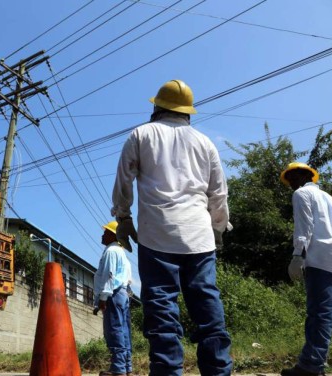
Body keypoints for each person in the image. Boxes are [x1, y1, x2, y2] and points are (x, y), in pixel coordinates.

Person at [111, 79, 232, 376]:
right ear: (187, 111)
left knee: (162, 310)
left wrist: (123, 217)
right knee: (207, 306)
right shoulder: (205, 143)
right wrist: (217, 227)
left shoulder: (141, 134)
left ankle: (167, 371)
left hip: (157, 235)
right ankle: (218, 371)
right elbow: (219, 193)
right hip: (199, 237)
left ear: (157, 106)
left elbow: (124, 179)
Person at [280, 162, 332, 376]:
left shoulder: (301, 194)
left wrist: (298, 255)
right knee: (324, 315)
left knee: (318, 316)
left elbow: (304, 227)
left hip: (320, 259)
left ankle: (311, 367)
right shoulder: (330, 198)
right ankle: (312, 363)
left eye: (293, 177)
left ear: (304, 176)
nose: (291, 183)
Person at [94, 221, 134, 376]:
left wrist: (103, 297)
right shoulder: (122, 253)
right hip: (123, 294)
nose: (103, 235)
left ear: (113, 235)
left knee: (114, 330)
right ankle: (126, 367)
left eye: (106, 232)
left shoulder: (111, 251)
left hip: (114, 294)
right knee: (124, 331)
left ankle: (118, 369)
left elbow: (109, 276)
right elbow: (128, 279)